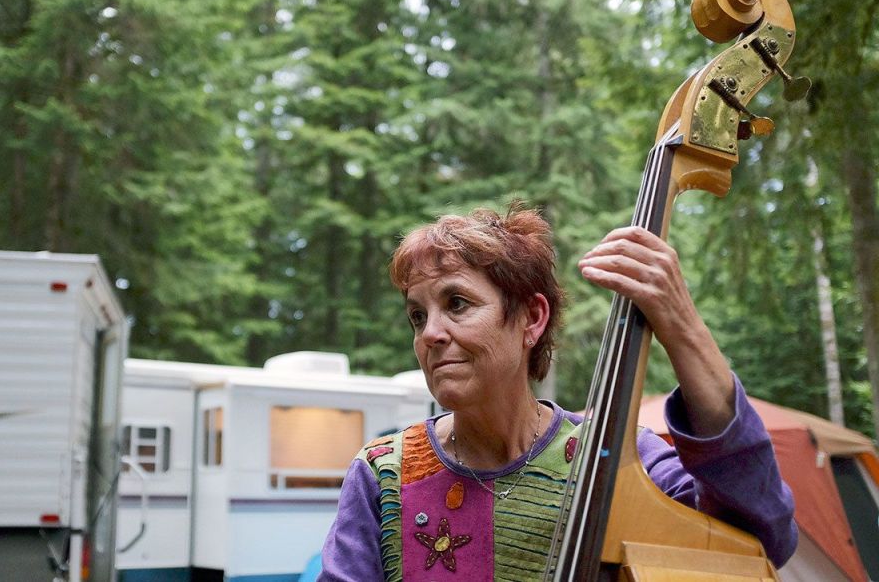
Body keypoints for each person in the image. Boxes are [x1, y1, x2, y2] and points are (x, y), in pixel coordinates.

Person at [318, 203, 797, 580]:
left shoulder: (612, 460)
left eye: (457, 303)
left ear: (531, 318)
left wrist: (682, 325)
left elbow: (760, 537)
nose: (430, 334)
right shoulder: (383, 473)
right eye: (417, 316)